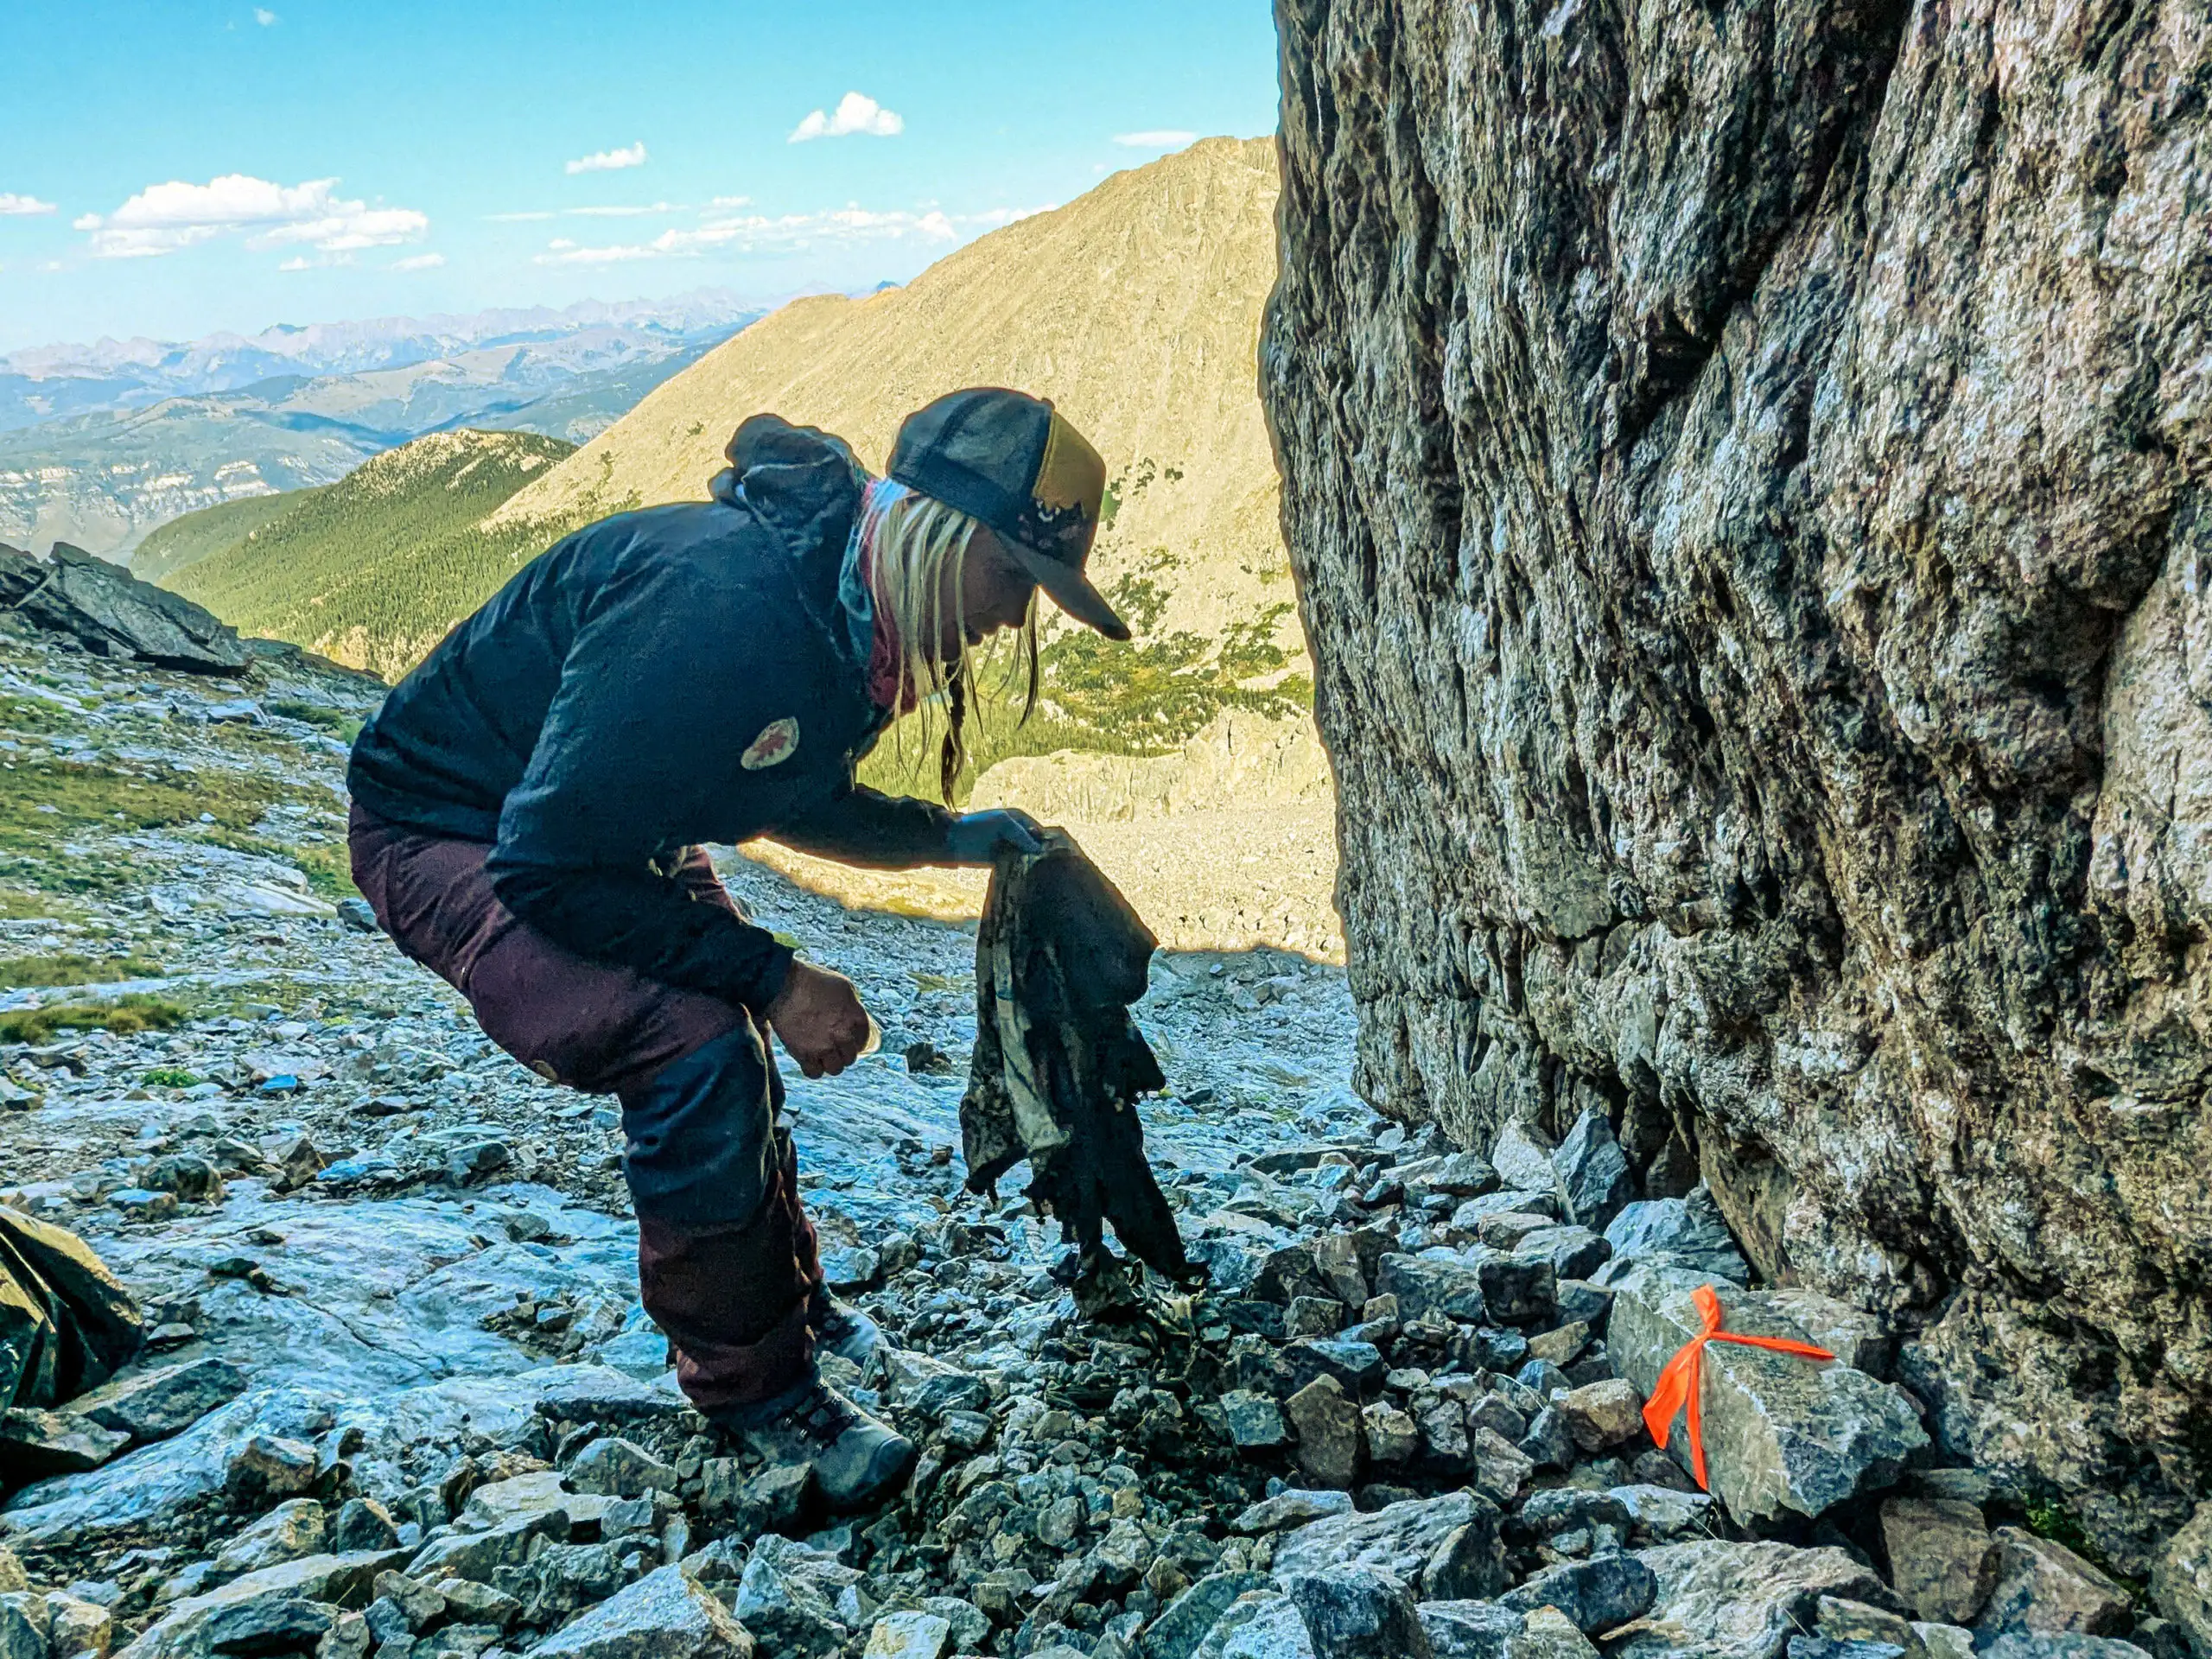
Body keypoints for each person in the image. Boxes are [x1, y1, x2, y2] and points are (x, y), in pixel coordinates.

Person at [344, 387, 1130, 1510]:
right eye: (1014, 576)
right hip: (451, 830)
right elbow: (542, 867)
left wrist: (951, 841)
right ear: (942, 539)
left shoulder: (845, 604)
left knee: (736, 1043)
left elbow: (780, 778)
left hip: (593, 829)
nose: (1015, 619)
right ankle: (755, 1397)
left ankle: (792, 1317)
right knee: (695, 1044)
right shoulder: (722, 605)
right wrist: (772, 974)